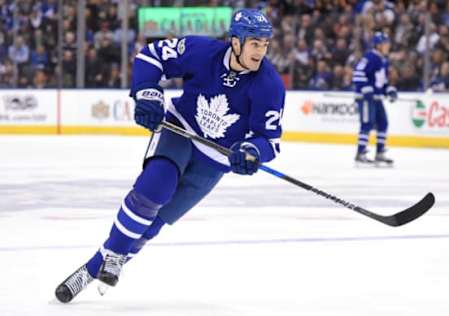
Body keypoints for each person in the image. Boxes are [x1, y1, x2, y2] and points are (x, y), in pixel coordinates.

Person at [54, 8, 285, 303]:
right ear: (236, 42)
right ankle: (114, 255)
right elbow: (152, 56)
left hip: (214, 160)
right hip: (180, 129)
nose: (261, 52)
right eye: (255, 43)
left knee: (153, 224)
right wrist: (147, 91)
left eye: (265, 45)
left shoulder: (269, 84)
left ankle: (93, 267)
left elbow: (269, 140)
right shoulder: (202, 52)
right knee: (152, 191)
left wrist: (252, 152)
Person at [352, 31, 397, 166]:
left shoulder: (383, 60)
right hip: (366, 99)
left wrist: (389, 90)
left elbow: (381, 81)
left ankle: (380, 152)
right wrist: (366, 88)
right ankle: (360, 153)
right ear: (378, 45)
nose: (387, 46)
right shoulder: (370, 57)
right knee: (367, 123)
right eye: (385, 44)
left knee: (383, 123)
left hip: (376, 98)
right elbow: (358, 73)